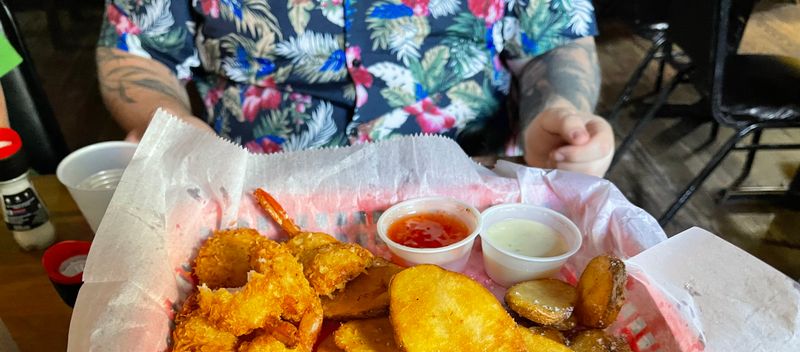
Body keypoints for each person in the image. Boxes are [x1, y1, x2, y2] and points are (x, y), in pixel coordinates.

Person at [97, 0, 613, 177]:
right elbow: (134, 50)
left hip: (473, 185)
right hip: (251, 187)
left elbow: (554, 40)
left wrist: (560, 108)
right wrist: (170, 129)